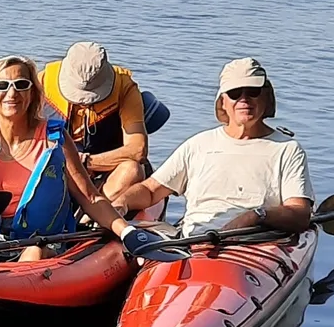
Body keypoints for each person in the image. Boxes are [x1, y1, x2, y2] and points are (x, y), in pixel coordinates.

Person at [0, 54, 132, 260]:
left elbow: (90, 198)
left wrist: (127, 232)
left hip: (39, 241)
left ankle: (10, 287)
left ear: (32, 94)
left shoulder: (56, 140)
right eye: (2, 85)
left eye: (21, 84)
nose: (12, 93)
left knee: (34, 254)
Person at [112, 58, 313, 237]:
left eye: (253, 91)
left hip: (256, 245)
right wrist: (122, 202)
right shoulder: (198, 145)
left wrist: (255, 216)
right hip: (196, 243)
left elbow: (299, 213)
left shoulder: (287, 149)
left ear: (266, 97)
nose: (244, 99)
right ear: (223, 102)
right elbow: (150, 191)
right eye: (235, 93)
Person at [42, 42, 151, 202]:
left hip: (105, 168)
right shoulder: (42, 81)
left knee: (132, 170)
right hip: (57, 164)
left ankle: (88, 218)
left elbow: (137, 150)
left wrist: (84, 162)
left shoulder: (125, 87)